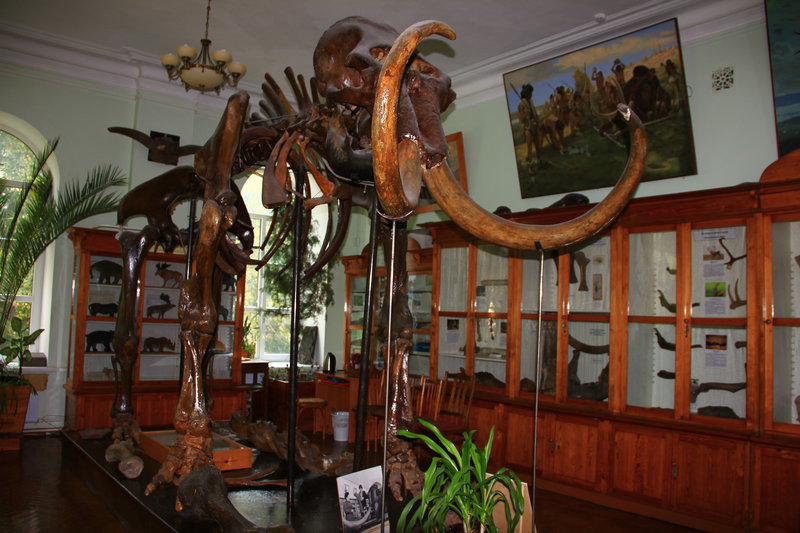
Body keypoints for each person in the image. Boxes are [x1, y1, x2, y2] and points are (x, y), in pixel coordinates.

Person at [517, 83, 542, 163]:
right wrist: (526, 113)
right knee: (529, 146)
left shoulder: (531, 102)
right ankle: (530, 163)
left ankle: (539, 161)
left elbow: (535, 114)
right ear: (527, 94)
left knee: (537, 145)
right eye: (531, 93)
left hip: (534, 125)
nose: (532, 94)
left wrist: (538, 122)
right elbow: (520, 118)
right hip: (527, 128)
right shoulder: (521, 105)